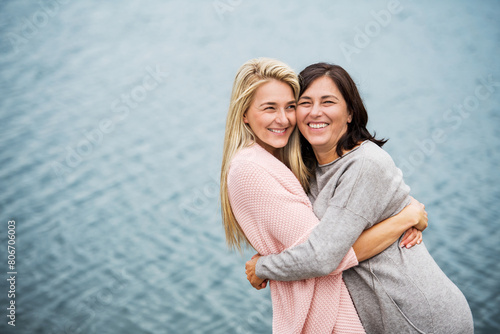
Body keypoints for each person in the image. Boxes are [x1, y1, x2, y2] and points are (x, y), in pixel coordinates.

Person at [245, 62, 474, 333]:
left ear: (351, 112)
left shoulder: (363, 164)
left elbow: (323, 257)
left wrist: (264, 266)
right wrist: (405, 217)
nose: (315, 112)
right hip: (384, 320)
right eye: (305, 103)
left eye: (328, 102)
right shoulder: (311, 168)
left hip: (422, 319)